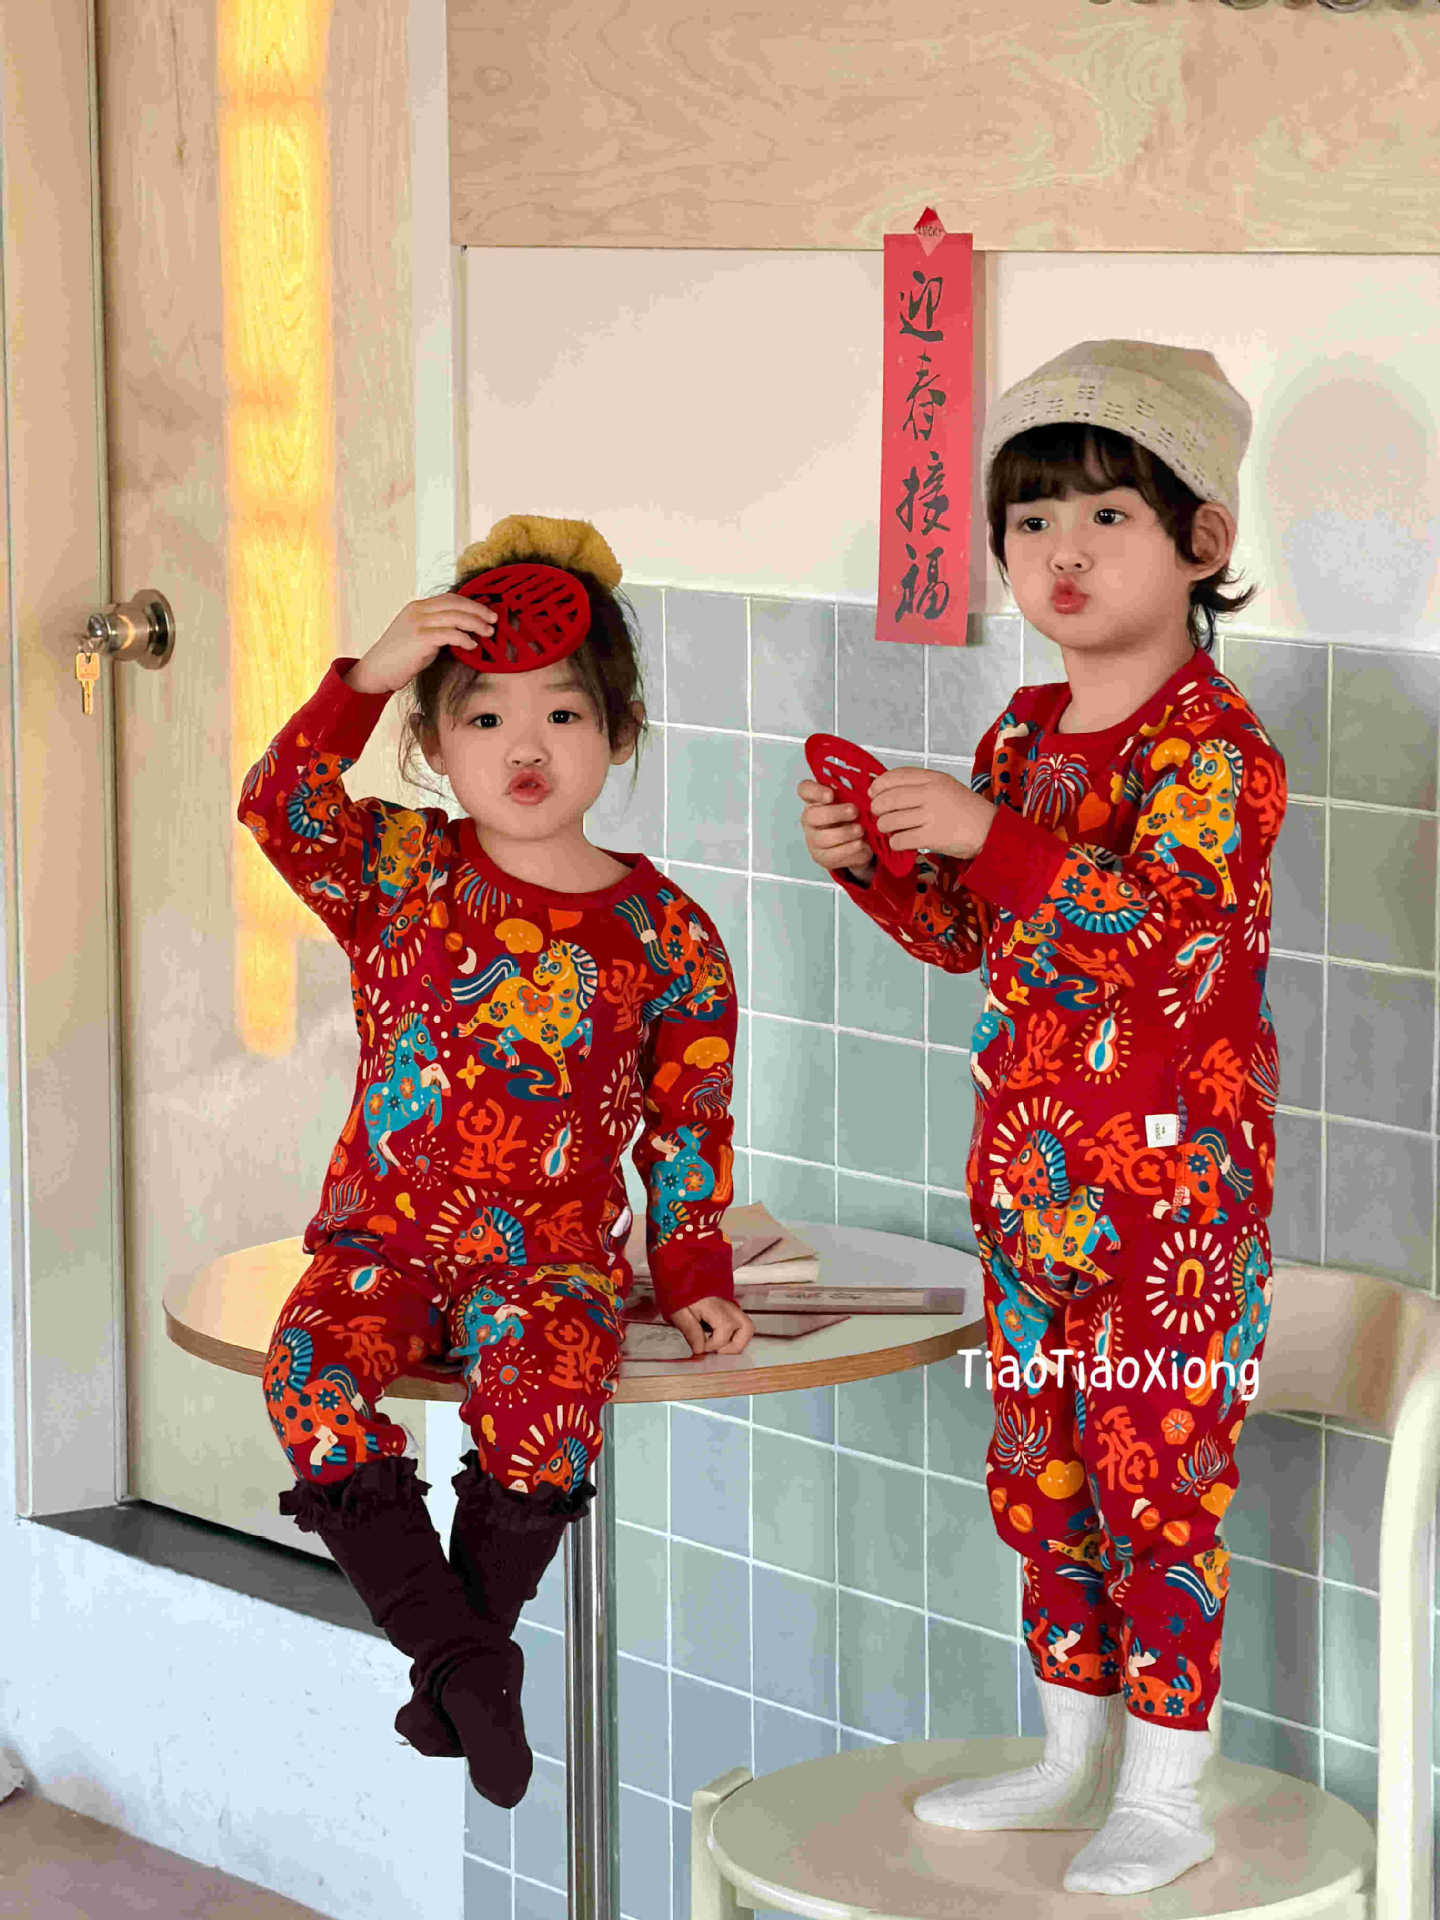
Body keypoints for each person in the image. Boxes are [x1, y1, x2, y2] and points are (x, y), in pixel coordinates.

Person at [798, 341, 1285, 1896]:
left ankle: (1168, 1790)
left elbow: (1164, 940)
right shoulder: (1018, 739)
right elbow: (974, 937)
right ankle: (1074, 1754)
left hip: (1174, 1217)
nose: (1061, 552)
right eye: (1030, 521)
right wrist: (879, 861)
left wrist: (987, 839)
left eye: (1106, 516)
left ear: (1204, 540)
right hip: (1029, 1193)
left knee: (1159, 1484)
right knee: (1042, 1474)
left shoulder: (1220, 751)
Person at [237, 514, 754, 1810]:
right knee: (307, 1376)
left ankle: (460, 1668)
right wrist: (367, 673)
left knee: (551, 1405)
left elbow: (688, 1122)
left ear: (620, 733)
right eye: (484, 718)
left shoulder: (667, 932)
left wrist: (692, 1266)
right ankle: (471, 1663)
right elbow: (278, 804)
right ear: (430, 742)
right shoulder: (396, 868)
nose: (526, 748)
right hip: (384, 1242)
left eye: (564, 714)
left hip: (552, 1258)